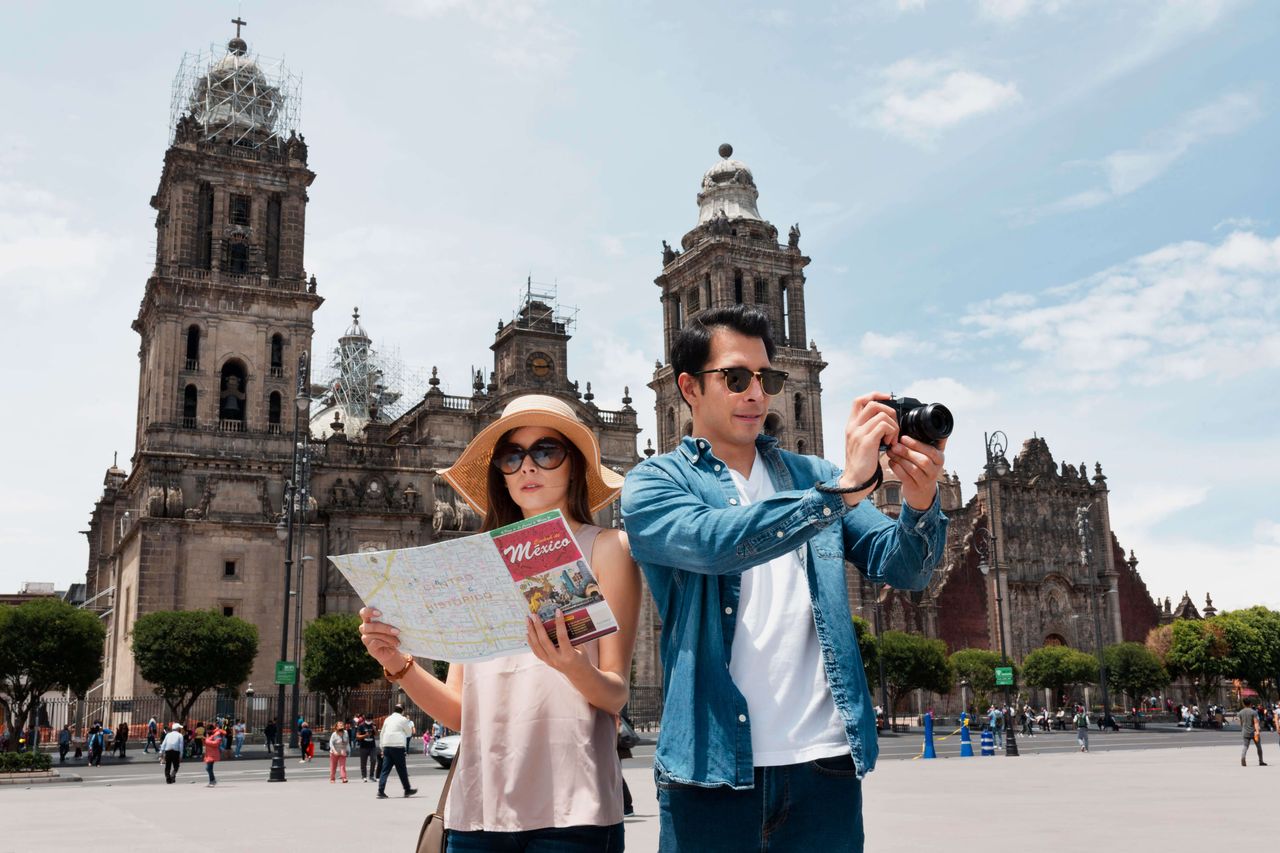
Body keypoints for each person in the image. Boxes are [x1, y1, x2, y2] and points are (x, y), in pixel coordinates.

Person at [620, 305, 948, 852]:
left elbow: (905, 569)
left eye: (767, 379)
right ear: (689, 387)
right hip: (712, 769)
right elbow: (716, 543)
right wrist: (840, 492)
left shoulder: (812, 476)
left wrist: (919, 500)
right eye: (736, 377)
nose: (756, 394)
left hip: (825, 767)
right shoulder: (655, 483)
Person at [359, 393, 642, 848]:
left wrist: (571, 665)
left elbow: (615, 694)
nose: (528, 468)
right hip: (477, 815)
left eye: (546, 452)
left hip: (573, 812)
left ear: (574, 465)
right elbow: (459, 711)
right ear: (500, 475)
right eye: (512, 457)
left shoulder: (608, 548)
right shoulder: (476, 562)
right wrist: (397, 662)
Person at [373, 704, 416, 799]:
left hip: (387, 746)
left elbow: (382, 733)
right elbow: (409, 733)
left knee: (385, 770)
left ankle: (380, 791)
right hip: (398, 746)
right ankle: (407, 789)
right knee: (402, 769)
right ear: (403, 711)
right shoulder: (403, 719)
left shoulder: (388, 719)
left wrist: (382, 747)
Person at [1239, 696, 1267, 767]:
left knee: (1245, 746)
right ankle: (1261, 761)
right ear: (1250, 704)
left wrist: (1243, 729)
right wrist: (1257, 731)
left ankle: (1243, 757)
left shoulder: (1240, 712)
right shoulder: (1253, 712)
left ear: (1243, 704)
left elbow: (1241, 723)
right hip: (1254, 732)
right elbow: (1256, 722)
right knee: (1259, 747)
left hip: (1245, 731)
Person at [354, 714, 377, 782]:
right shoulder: (361, 726)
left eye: (370, 719)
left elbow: (376, 734)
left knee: (373, 760)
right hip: (363, 746)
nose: (369, 720)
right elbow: (357, 736)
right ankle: (364, 776)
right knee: (363, 762)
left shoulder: (373, 725)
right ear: (365, 719)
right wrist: (365, 735)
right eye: (368, 719)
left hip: (372, 746)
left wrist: (374, 729)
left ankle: (371, 775)